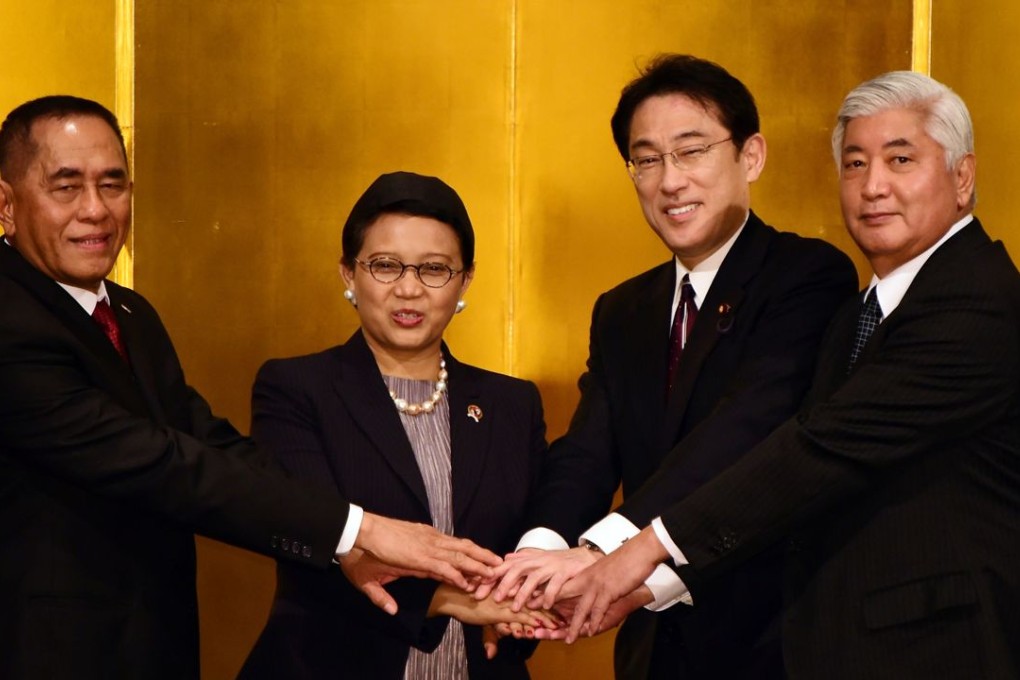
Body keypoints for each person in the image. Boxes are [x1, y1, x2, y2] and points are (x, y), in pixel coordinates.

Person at [0, 97, 502, 679]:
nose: (95, 209)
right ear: (7, 204)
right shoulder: (10, 318)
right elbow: (160, 462)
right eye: (66, 187)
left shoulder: (130, 314)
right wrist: (359, 530)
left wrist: (344, 542)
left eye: (112, 185)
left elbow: (207, 440)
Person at [560, 71, 1020, 679]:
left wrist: (638, 551)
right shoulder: (861, 313)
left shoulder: (978, 301)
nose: (873, 186)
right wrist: (648, 587)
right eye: (854, 164)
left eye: (900, 159)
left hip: (940, 652)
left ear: (962, 178)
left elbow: (820, 451)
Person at [488, 55, 858, 678]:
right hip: (653, 647)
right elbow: (588, 451)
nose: (670, 181)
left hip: (774, 638)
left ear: (751, 156)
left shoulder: (807, 277)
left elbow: (743, 432)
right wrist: (538, 554)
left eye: (691, 152)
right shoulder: (623, 309)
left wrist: (604, 550)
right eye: (648, 159)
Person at [239, 171, 552, 679]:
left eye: (434, 269)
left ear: (465, 280)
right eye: (385, 266)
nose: (409, 289)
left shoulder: (512, 404)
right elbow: (308, 537)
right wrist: (453, 600)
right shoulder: (296, 388)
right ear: (349, 273)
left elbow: (531, 545)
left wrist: (518, 608)